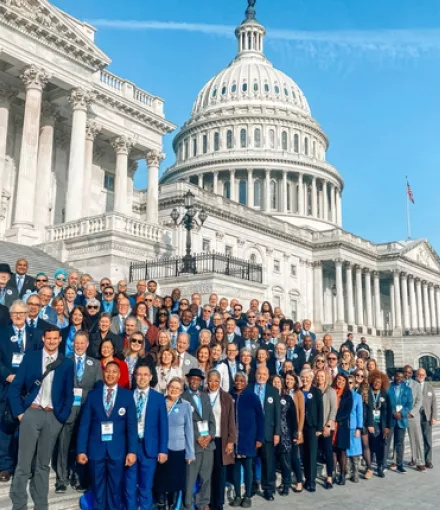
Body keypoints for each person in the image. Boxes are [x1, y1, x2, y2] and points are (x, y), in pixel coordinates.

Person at [8, 325, 74, 510]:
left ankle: (41, 505)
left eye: (55, 338)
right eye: (49, 338)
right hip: (32, 413)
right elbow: (15, 388)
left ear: (60, 339)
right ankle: (19, 505)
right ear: (43, 339)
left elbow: (68, 394)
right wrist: (20, 414)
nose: (52, 341)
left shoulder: (67, 363)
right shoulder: (31, 358)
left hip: (53, 417)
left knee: (43, 464)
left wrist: (61, 418)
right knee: (23, 464)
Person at [76, 361, 137, 509]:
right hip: (96, 450)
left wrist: (132, 451)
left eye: (114, 372)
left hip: (117, 451)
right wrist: (81, 450)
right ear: (103, 373)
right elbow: (85, 425)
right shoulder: (93, 395)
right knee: (97, 488)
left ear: (119, 375)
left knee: (115, 489)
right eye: (108, 371)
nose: (110, 374)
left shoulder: (127, 396)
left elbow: (132, 427)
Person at [0, 300, 43, 482]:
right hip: (7, 386)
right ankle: (5, 466)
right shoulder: (2, 334)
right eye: (15, 313)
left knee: (26, 427)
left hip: (28, 388)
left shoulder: (36, 334)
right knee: (6, 427)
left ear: (27, 314)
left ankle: (22, 466)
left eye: (22, 313)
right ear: (10, 316)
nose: (18, 316)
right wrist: (7, 374)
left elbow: (41, 359)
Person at [55, 331, 102, 493]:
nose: (79, 346)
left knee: (81, 445)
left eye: (82, 343)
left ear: (87, 345)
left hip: (86, 411)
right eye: (76, 342)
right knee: (63, 445)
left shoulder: (95, 364)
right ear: (72, 344)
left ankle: (78, 477)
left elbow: (98, 388)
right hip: (68, 410)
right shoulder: (65, 361)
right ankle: (61, 479)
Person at [125, 364, 168, 510]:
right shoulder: (127, 396)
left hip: (149, 448)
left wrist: (163, 450)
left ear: (150, 377)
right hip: (130, 447)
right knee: (129, 486)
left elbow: (163, 426)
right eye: (139, 374)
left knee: (146, 486)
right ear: (135, 376)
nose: (142, 378)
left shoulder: (158, 398)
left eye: (145, 375)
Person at [182, 368, 216, 510]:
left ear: (201, 381)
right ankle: (188, 504)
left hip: (208, 444)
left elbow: (211, 419)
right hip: (193, 444)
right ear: (188, 380)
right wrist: (197, 437)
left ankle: (203, 503)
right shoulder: (183, 397)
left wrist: (210, 435)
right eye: (192, 378)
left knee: (206, 477)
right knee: (190, 478)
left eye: (198, 379)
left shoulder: (205, 396)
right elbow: (185, 422)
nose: (195, 381)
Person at [230, 372, 264, 509]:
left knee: (248, 468)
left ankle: (248, 495)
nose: (239, 383)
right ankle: (238, 495)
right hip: (234, 439)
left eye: (241, 381)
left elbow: (260, 418)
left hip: (249, 438)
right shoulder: (230, 396)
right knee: (236, 468)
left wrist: (259, 438)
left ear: (245, 382)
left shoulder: (252, 397)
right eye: (237, 380)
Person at [250, 366, 280, 501]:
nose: (261, 376)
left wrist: (276, 433)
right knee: (251, 461)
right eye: (259, 373)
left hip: (268, 432)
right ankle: (252, 486)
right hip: (251, 432)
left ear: (268, 376)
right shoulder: (249, 389)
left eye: (264, 374)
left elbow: (277, 414)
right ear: (255, 374)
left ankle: (268, 489)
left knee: (268, 462)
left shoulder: (273, 391)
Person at [207, 369, 236, 510]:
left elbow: (232, 420)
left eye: (216, 381)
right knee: (207, 473)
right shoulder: (202, 395)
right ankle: (207, 503)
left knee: (220, 473)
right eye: (211, 380)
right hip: (206, 439)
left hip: (221, 439)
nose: (213, 384)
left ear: (220, 382)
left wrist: (231, 441)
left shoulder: (226, 397)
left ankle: (218, 504)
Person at [271, 375, 298, 496]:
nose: (276, 384)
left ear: (282, 384)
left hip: (285, 434)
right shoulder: (268, 398)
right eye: (274, 382)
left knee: (285, 461)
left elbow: (293, 418)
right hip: (270, 434)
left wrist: (295, 433)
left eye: (278, 382)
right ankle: (271, 485)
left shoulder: (287, 398)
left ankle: (286, 484)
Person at [300, 368, 323, 492]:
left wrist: (320, 427)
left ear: (311, 378)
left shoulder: (316, 391)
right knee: (304, 454)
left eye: (307, 377)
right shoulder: (297, 391)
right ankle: (306, 477)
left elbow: (320, 410)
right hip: (300, 427)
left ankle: (311, 481)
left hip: (312, 426)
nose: (305, 380)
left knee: (312, 454)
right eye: (303, 377)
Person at [386, 369, 413, 473]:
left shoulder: (407, 389)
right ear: (394, 377)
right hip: (391, 418)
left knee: (400, 443)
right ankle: (383, 464)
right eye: (398, 376)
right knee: (386, 442)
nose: (399, 379)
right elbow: (386, 402)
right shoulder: (388, 387)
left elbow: (409, 404)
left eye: (401, 377)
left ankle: (399, 464)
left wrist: (401, 413)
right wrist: (393, 412)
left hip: (401, 419)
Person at [314, 368, 336, 489]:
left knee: (328, 451)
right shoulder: (314, 391)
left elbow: (333, 409)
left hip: (327, 426)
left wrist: (328, 425)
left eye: (322, 376)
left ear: (326, 378)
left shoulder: (330, 391)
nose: (320, 378)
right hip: (316, 427)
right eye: (318, 376)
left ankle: (329, 476)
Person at [368, 370, 391, 477]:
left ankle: (380, 466)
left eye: (379, 382)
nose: (377, 383)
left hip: (381, 424)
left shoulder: (385, 394)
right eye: (376, 381)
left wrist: (387, 426)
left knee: (381, 446)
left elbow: (389, 411)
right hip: (370, 423)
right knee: (370, 446)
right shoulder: (367, 392)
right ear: (372, 381)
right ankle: (369, 467)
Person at [403, 364, 426, 472]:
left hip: (412, 416)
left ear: (412, 374)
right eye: (405, 372)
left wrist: (412, 412)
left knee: (416, 439)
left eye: (409, 372)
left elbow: (419, 401)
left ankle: (419, 461)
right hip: (400, 416)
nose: (407, 374)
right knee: (398, 439)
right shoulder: (398, 383)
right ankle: (394, 460)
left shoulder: (416, 385)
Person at [332, 373, 353, 485]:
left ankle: (343, 474)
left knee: (342, 451)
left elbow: (347, 410)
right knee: (333, 450)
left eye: (343, 381)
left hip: (342, 425)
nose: (340, 382)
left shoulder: (348, 394)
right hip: (331, 425)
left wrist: (336, 418)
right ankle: (333, 473)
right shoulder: (331, 390)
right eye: (338, 379)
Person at [355, 369, 375, 479]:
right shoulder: (350, 386)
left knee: (365, 444)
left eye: (361, 376)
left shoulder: (366, 389)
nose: (359, 377)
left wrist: (370, 423)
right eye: (357, 375)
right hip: (352, 420)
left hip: (363, 421)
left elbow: (370, 408)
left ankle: (369, 467)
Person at [416, 368, 437, 468]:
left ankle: (428, 460)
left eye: (422, 374)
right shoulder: (413, 385)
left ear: (425, 375)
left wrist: (434, 417)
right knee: (416, 439)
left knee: (427, 439)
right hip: (415, 416)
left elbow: (434, 402)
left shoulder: (429, 387)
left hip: (427, 416)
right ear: (416, 375)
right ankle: (415, 459)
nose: (420, 376)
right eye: (419, 374)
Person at [346, 374, 363, 483]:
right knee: (346, 450)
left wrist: (359, 428)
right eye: (347, 383)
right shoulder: (341, 396)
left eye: (350, 383)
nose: (348, 385)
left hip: (353, 426)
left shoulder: (357, 397)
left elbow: (359, 414)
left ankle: (355, 472)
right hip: (344, 427)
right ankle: (347, 471)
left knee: (355, 450)